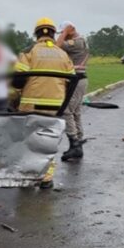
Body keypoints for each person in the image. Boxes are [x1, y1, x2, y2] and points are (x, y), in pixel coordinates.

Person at [14, 17, 74, 188]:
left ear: (36, 34)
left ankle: (27, 175)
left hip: (30, 106)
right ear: (53, 34)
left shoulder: (29, 51)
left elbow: (18, 80)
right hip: (56, 106)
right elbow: (70, 81)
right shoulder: (63, 54)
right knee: (49, 140)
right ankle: (46, 177)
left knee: (28, 140)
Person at [56, 21, 90, 161]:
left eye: (63, 32)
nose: (62, 36)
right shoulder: (82, 41)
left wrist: (64, 33)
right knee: (75, 112)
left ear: (71, 30)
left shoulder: (75, 42)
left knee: (66, 111)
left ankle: (75, 143)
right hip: (80, 80)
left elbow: (57, 46)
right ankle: (77, 145)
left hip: (76, 80)